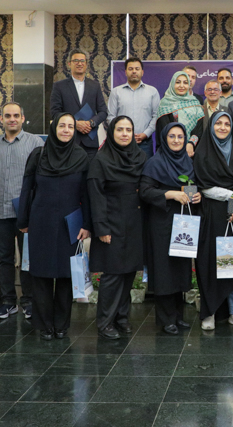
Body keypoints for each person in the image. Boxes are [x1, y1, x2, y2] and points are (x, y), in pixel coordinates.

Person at [17, 113, 92, 340]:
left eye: (70, 126)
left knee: (66, 275)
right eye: (62, 126)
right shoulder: (38, 155)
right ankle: (44, 325)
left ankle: (61, 325)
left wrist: (87, 224)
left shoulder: (81, 156)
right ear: (54, 128)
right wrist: (23, 221)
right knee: (41, 274)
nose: (66, 130)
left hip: (71, 224)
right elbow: (27, 188)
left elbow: (86, 194)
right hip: (41, 221)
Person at [88, 116, 147, 339]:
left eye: (128, 130)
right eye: (120, 129)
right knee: (112, 274)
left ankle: (122, 317)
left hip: (134, 223)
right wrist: (101, 228)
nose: (124, 134)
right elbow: (96, 196)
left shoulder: (139, 157)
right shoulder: (101, 160)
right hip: (110, 224)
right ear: (112, 133)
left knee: (129, 273)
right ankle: (105, 322)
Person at [0, 102, 43, 320]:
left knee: (27, 258)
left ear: (22, 118)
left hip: (26, 211)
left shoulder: (35, 143)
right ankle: (8, 302)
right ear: (1, 119)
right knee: (4, 258)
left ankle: (28, 301)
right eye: (8, 116)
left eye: (16, 115)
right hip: (0, 209)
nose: (12, 119)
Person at [140, 122, 201, 335]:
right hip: (162, 223)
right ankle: (166, 319)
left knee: (180, 268)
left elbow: (191, 186)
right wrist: (171, 194)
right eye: (172, 136)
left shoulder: (188, 162)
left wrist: (196, 196)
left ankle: (177, 316)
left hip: (183, 223)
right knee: (164, 270)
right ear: (164, 139)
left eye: (180, 137)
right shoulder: (155, 162)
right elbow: (145, 192)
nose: (176, 140)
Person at [193, 111, 233, 330]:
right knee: (210, 263)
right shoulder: (202, 151)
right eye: (219, 123)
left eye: (227, 124)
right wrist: (232, 196)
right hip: (211, 213)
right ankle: (210, 312)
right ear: (212, 126)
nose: (223, 127)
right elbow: (203, 186)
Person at [49, 51, 108, 159]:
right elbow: (55, 112)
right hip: (67, 141)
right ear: (69, 64)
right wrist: (74, 124)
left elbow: (103, 111)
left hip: (90, 142)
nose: (79, 63)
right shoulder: (59, 86)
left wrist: (91, 123)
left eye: (82, 61)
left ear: (86, 64)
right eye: (76, 60)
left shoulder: (95, 86)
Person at [106, 57, 159, 157]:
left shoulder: (152, 92)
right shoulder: (116, 92)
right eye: (130, 69)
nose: (134, 71)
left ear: (142, 72)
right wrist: (122, 134)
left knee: (145, 167)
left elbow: (156, 116)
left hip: (144, 143)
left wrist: (145, 134)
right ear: (125, 72)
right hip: (121, 142)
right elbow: (111, 117)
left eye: (137, 69)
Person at [156, 71, 204, 157]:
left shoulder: (195, 102)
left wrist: (191, 143)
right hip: (170, 152)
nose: (182, 86)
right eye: (178, 82)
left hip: (192, 151)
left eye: (185, 83)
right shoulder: (165, 103)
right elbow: (164, 129)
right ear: (172, 84)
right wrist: (179, 144)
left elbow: (199, 127)